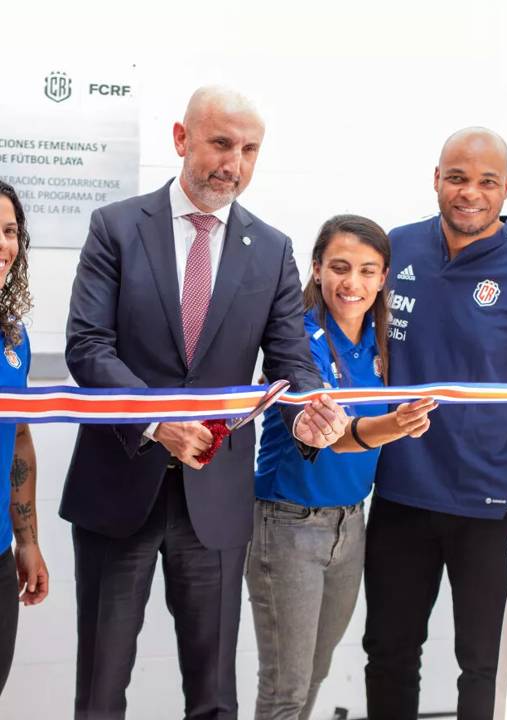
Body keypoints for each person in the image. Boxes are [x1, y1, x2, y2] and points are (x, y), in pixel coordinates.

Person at [61, 87, 348, 720]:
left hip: (214, 502)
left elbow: (291, 362)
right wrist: (157, 420)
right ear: (180, 138)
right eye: (221, 143)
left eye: (250, 150)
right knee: (101, 690)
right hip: (117, 489)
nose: (234, 164)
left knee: (215, 696)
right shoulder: (115, 227)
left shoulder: (270, 249)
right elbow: (87, 346)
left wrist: (308, 411)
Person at [362, 128, 507, 720]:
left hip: (494, 503)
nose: (470, 193)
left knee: (485, 664)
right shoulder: (396, 249)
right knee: (388, 653)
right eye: (457, 177)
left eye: (487, 181)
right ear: (436, 178)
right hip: (399, 491)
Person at [247, 214, 436, 720]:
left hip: (352, 523)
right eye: (340, 267)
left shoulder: (383, 341)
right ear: (316, 269)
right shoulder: (298, 341)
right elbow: (340, 440)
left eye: (368, 271)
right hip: (288, 524)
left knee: (316, 671)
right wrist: (397, 424)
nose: (353, 284)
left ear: (383, 278)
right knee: (285, 686)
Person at [0, 181, 49, 694]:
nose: (3, 245)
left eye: (10, 231)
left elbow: (18, 443)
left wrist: (27, 541)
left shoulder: (15, 337)